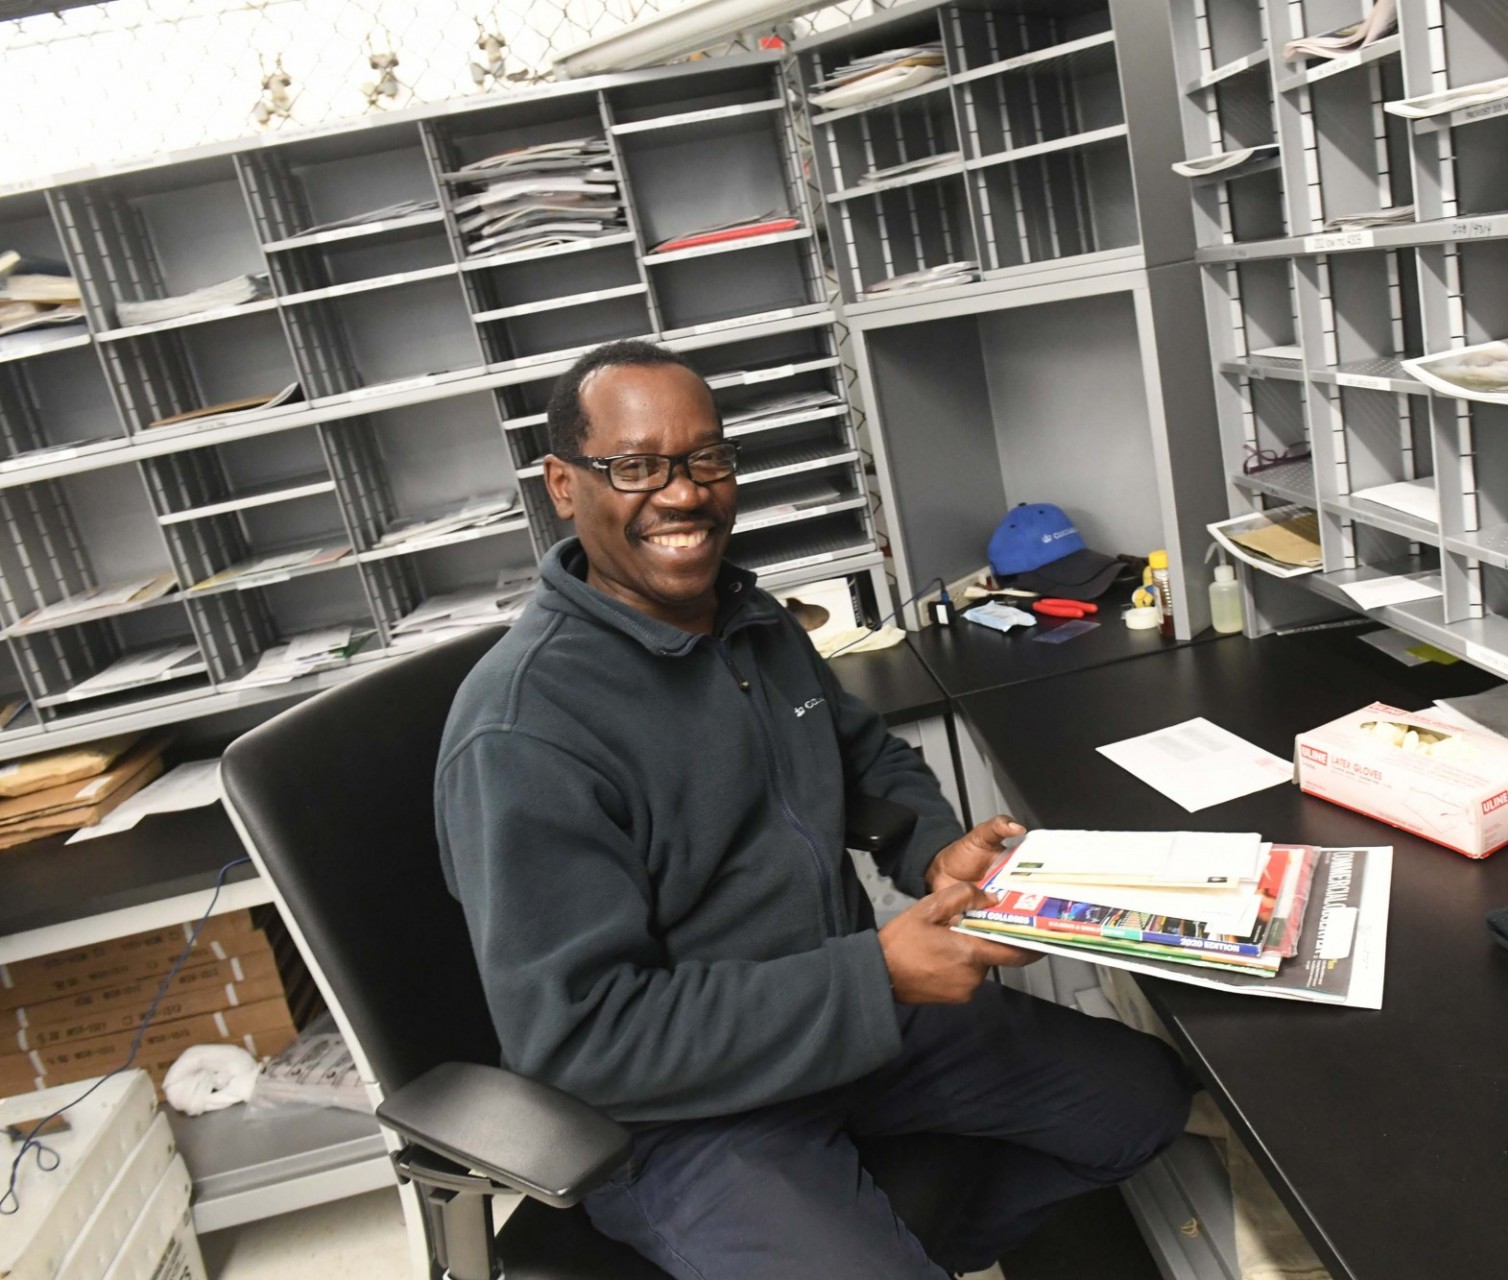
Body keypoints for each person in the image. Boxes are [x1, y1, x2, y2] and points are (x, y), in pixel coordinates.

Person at [434, 339, 1193, 1279]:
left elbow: (859, 754)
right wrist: (872, 977)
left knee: (1143, 1101)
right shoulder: (523, 730)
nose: (683, 493)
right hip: (685, 1111)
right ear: (562, 484)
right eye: (636, 467)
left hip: (848, 1030)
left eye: (706, 458)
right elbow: (584, 1038)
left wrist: (937, 852)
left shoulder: (745, 620)